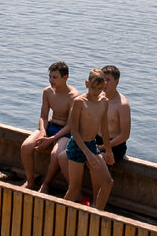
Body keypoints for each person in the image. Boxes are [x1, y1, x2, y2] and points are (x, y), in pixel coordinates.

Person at [63, 69, 114, 210]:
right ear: (87, 84)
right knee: (74, 189)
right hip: (77, 146)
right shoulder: (79, 102)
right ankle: (59, 216)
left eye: (99, 88)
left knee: (107, 183)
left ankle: (97, 215)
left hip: (91, 144)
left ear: (104, 85)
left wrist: (108, 151)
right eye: (93, 88)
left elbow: (104, 129)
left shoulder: (104, 101)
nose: (96, 92)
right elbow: (74, 130)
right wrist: (88, 154)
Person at [22, 62, 78, 191]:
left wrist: (51, 139)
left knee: (55, 155)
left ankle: (46, 183)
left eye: (55, 77)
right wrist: (42, 132)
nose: (51, 80)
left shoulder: (74, 96)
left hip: (65, 132)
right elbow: (43, 116)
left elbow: (70, 125)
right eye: (50, 77)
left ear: (65, 78)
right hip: (50, 126)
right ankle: (30, 181)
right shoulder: (47, 92)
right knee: (26, 147)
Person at [100, 65, 131, 162]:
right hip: (96, 140)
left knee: (95, 159)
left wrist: (102, 147)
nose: (104, 83)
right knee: (66, 155)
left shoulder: (122, 105)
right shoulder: (97, 97)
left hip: (114, 146)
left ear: (117, 82)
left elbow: (125, 135)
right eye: (102, 79)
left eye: (108, 80)